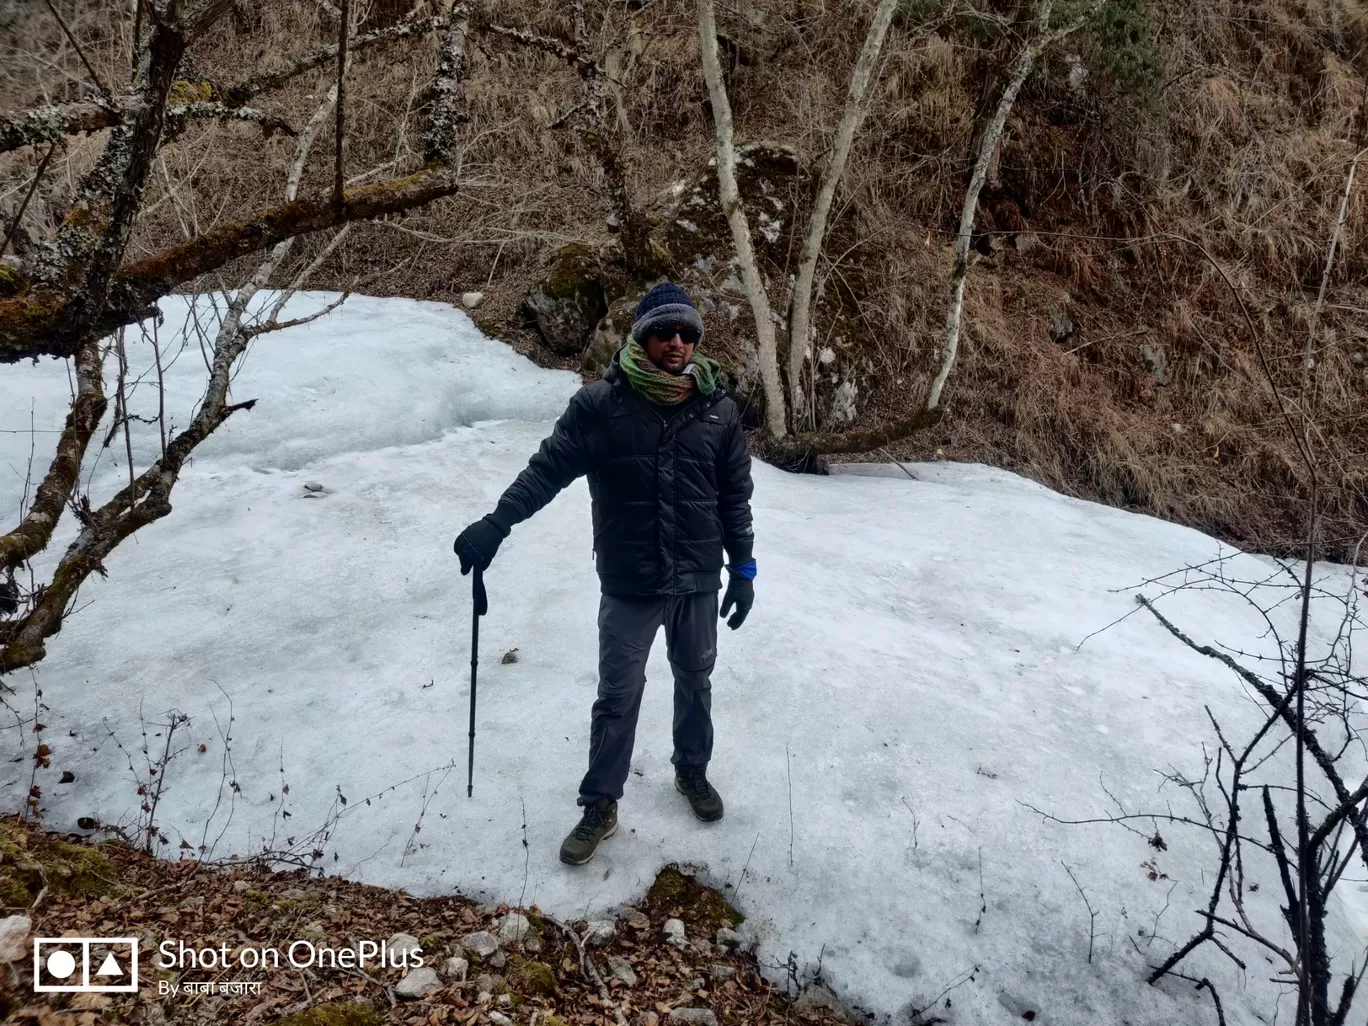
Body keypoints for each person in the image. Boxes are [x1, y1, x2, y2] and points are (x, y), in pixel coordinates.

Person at [453, 282, 756, 866]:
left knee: (696, 680)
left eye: (687, 332)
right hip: (630, 579)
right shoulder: (601, 405)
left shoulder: (718, 409)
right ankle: (601, 804)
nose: (677, 342)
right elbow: (547, 470)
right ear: (642, 336)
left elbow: (734, 499)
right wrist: (498, 523)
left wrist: (742, 568)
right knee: (618, 694)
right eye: (665, 331)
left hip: (696, 575)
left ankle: (692, 770)